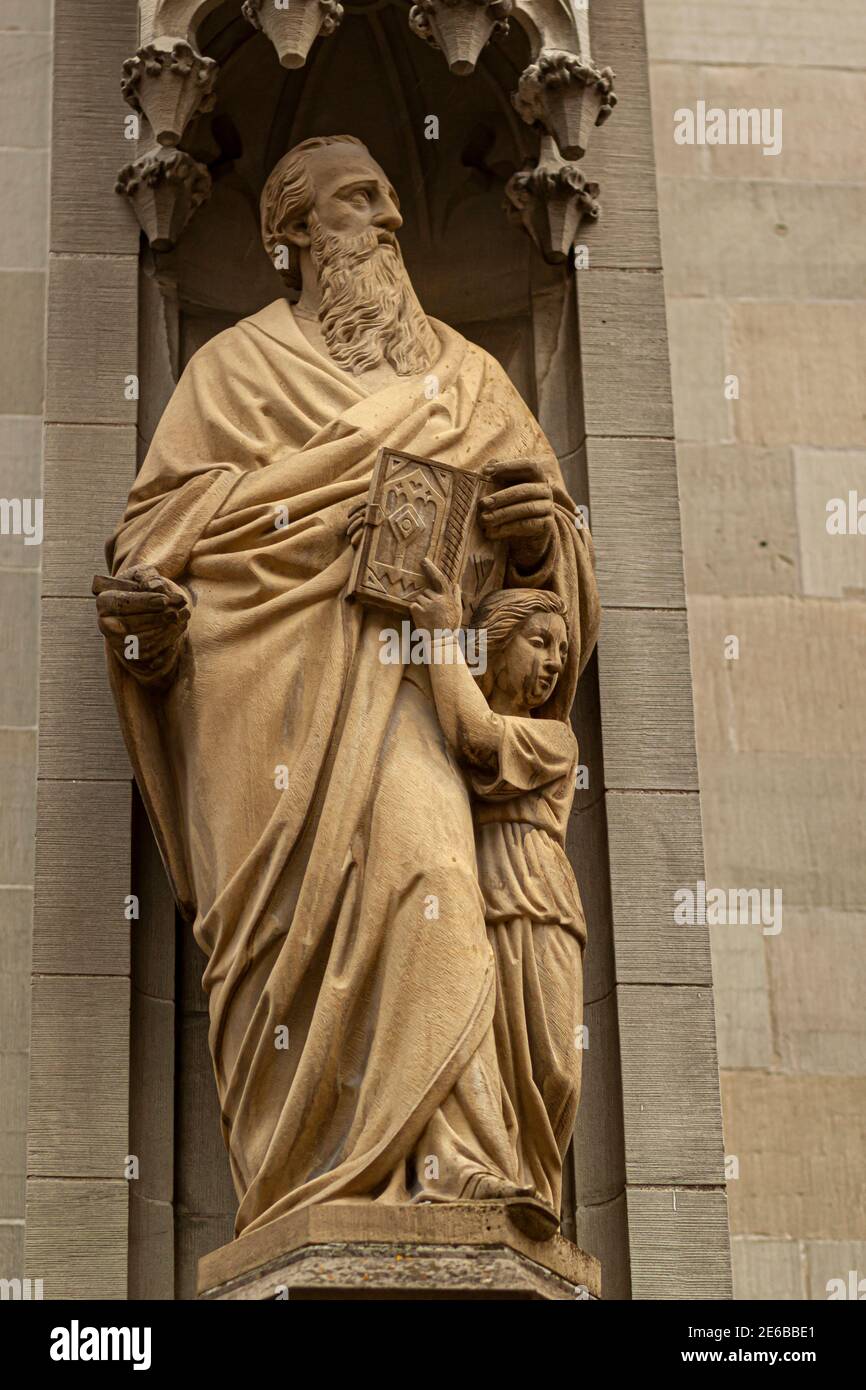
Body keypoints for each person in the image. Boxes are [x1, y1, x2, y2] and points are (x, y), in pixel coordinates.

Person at [95, 134, 599, 1236]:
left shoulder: (466, 377)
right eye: (356, 200)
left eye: (385, 197)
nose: (388, 221)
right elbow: (154, 546)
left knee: (431, 869)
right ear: (291, 237)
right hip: (266, 714)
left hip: (414, 692)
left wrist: (533, 540)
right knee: (304, 950)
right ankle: (304, 1186)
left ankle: (459, 1158)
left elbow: (554, 570)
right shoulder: (228, 373)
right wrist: (150, 621)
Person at [411, 563, 586, 1235]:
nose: (553, 663)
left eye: (561, 652)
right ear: (497, 643)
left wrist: (436, 638)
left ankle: (542, 1187)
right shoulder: (444, 719)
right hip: (475, 886)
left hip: (541, 897)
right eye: (539, 642)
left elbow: (479, 740)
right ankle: (504, 1174)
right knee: (483, 1044)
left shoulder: (555, 737)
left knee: (554, 1067)